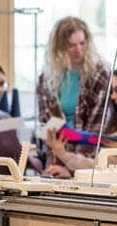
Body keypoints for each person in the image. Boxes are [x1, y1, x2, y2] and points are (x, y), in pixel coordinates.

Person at [38, 16, 110, 178]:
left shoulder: (99, 75)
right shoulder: (46, 79)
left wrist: (73, 169)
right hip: (57, 158)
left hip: (88, 163)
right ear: (59, 48)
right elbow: (47, 127)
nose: (78, 50)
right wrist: (56, 165)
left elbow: (96, 131)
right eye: (71, 45)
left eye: (82, 43)